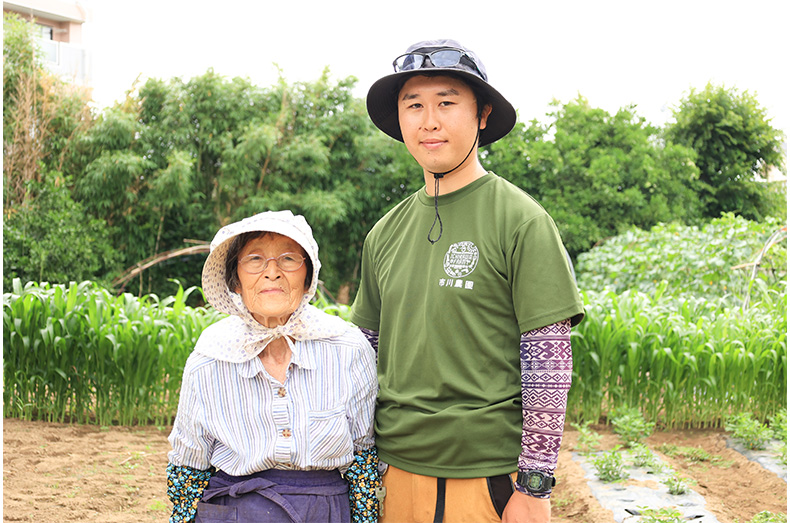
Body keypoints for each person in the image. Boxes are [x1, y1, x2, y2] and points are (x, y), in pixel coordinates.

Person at [350, 39, 585, 523]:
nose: (429, 120)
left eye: (446, 103)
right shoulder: (384, 233)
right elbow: (362, 357)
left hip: (486, 478)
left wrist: (535, 486)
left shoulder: (520, 220)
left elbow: (548, 360)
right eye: (413, 105)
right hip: (392, 476)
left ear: (482, 115)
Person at [166, 210, 380, 523]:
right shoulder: (211, 354)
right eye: (254, 259)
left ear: (307, 277)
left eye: (289, 259)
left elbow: (363, 457)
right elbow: (188, 466)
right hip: (236, 512)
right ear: (235, 281)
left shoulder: (346, 346)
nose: (272, 272)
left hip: (324, 512)